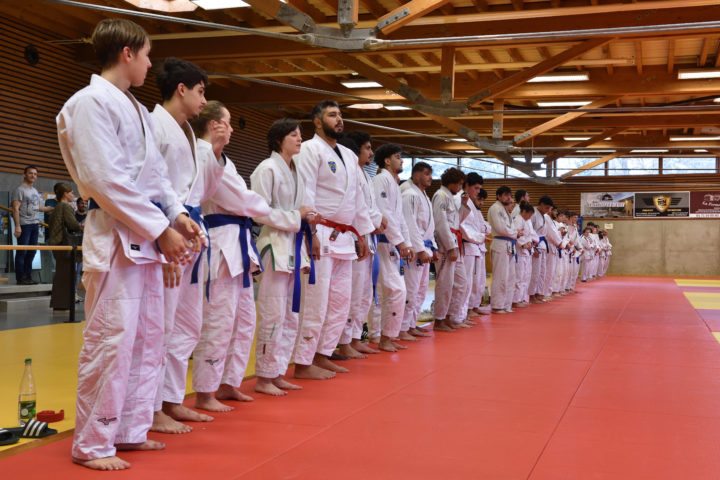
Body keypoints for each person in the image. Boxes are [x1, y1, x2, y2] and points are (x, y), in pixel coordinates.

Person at [56, 18, 204, 471]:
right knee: (111, 341)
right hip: (117, 237)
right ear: (127, 53)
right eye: (146, 55)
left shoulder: (136, 109)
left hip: (143, 239)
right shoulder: (89, 103)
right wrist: (160, 229)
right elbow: (105, 180)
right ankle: (93, 442)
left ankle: (128, 429)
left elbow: (156, 176)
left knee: (147, 338)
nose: (149, 64)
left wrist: (176, 214)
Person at [150, 57, 226, 435]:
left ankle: (171, 400)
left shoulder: (186, 134)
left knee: (187, 326)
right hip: (165, 240)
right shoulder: (155, 126)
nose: (204, 100)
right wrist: (161, 242)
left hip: (189, 236)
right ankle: (151, 410)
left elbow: (198, 193)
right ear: (181, 89)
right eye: (200, 91)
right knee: (161, 327)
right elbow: (150, 190)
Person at [190, 101, 271, 409]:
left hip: (239, 246)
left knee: (244, 321)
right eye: (228, 122)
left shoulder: (223, 159)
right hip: (221, 245)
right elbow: (239, 200)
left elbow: (243, 200)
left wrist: (253, 205)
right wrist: (267, 208)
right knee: (218, 321)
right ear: (214, 125)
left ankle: (228, 383)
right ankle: (205, 392)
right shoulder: (203, 155)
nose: (233, 129)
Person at [292, 100, 374, 379]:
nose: (339, 119)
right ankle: (303, 363)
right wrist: (311, 232)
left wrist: (362, 234)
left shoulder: (349, 155)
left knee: (340, 301)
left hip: (345, 237)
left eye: (340, 115)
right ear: (317, 122)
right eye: (332, 115)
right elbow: (305, 192)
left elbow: (357, 200)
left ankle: (323, 354)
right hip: (321, 233)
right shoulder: (309, 150)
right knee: (316, 301)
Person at [251, 118, 319, 396]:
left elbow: (300, 209)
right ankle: (263, 377)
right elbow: (258, 212)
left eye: (300, 134)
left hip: (293, 245)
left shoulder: (296, 170)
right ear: (279, 139)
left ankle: (277, 371)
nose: (300, 139)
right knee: (272, 313)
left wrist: (308, 218)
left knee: (290, 314)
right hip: (273, 245)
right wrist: (295, 216)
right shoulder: (266, 169)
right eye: (293, 135)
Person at [337, 131, 385, 357]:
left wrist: (378, 220)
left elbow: (370, 207)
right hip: (356, 237)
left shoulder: (364, 174)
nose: (371, 153)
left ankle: (355, 337)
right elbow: (358, 209)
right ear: (355, 150)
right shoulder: (352, 172)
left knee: (364, 293)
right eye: (367, 148)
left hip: (367, 237)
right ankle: (344, 341)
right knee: (353, 293)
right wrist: (375, 222)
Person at [371, 143, 413, 352]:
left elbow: (401, 218)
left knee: (391, 292)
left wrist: (407, 243)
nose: (402, 160)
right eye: (397, 157)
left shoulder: (394, 183)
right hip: (382, 243)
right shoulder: (380, 180)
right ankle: (383, 337)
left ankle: (385, 336)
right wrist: (400, 241)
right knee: (394, 291)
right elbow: (384, 213)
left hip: (393, 244)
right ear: (387, 161)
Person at [400, 161, 436, 338]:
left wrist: (433, 249)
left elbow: (429, 227)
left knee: (421, 290)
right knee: (411, 289)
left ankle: (412, 324)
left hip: (424, 247)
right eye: (426, 174)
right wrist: (420, 249)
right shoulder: (410, 195)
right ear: (416, 175)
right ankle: (402, 328)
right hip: (414, 250)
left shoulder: (424, 196)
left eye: (430, 174)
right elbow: (410, 225)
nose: (430, 177)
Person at [432, 167, 466, 331]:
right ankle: (439, 320)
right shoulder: (441, 196)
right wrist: (451, 247)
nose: (459, 188)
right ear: (450, 182)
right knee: (444, 284)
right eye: (458, 184)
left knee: (460, 282)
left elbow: (457, 222)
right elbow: (441, 224)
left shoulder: (450, 197)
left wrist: (464, 205)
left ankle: (450, 316)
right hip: (445, 245)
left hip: (454, 242)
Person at [12, 165, 53, 285]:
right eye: (30, 173)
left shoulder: (34, 191)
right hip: (24, 225)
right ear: (24, 174)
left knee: (32, 252)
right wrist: (17, 226)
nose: (33, 176)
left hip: (35, 225)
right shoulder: (20, 190)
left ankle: (27, 276)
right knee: (22, 252)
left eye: (35, 174)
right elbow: (15, 208)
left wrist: (53, 208)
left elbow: (39, 207)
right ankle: (20, 278)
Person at [456, 172, 486, 322]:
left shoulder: (471, 203)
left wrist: (481, 236)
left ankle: (465, 312)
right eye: (476, 188)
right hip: (465, 245)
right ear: (466, 185)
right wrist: (480, 237)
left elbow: (481, 226)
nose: (478, 192)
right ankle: (460, 314)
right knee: (465, 283)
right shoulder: (459, 199)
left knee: (473, 282)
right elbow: (462, 226)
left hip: (474, 245)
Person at [47, 183, 82, 310]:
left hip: (57, 244)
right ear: (65, 194)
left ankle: (59, 304)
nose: (73, 195)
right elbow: (73, 225)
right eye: (71, 192)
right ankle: (63, 305)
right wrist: (82, 226)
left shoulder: (57, 207)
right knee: (66, 276)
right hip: (63, 244)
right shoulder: (66, 207)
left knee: (61, 275)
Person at [488, 186, 517, 314]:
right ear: (498, 196)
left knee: (510, 277)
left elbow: (510, 229)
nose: (508, 197)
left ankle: (506, 304)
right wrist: (516, 233)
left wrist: (515, 233)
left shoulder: (505, 210)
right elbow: (501, 228)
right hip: (500, 244)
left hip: (509, 245)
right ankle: (497, 305)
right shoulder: (495, 208)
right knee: (500, 277)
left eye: (510, 195)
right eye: (505, 195)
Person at [467, 188, 491, 314]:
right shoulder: (468, 209)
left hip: (479, 247)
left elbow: (487, 228)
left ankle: (476, 306)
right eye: (479, 199)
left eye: (483, 200)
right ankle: (469, 308)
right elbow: (479, 228)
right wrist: (482, 231)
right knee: (473, 281)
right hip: (471, 246)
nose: (481, 203)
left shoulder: (478, 212)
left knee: (481, 281)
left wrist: (483, 230)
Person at [529, 196, 553, 303]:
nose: (548, 210)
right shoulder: (533, 214)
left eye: (549, 209)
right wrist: (533, 247)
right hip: (536, 245)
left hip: (542, 245)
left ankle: (538, 293)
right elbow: (529, 231)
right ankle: (531, 295)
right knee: (535, 272)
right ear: (541, 204)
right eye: (546, 208)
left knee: (542, 272)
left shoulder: (544, 215)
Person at [512, 202, 537, 308]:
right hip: (519, 251)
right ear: (524, 211)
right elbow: (516, 234)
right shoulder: (517, 220)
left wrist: (530, 242)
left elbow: (530, 234)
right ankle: (515, 300)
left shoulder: (526, 221)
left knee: (526, 276)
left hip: (527, 251)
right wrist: (523, 244)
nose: (530, 217)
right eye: (529, 214)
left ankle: (522, 298)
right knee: (519, 276)